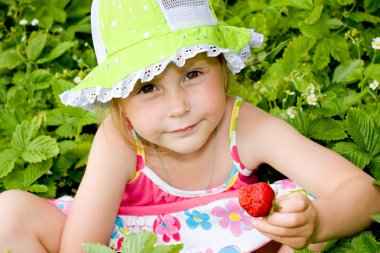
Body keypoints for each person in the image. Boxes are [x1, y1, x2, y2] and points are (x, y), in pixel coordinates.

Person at [0, 0, 379, 252]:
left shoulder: (242, 125)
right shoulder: (120, 139)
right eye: (148, 87)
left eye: (193, 73)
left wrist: (318, 223)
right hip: (130, 240)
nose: (178, 107)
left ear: (223, 69)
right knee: (9, 212)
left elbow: (365, 192)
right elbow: (81, 247)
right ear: (121, 103)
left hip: (227, 237)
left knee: (302, 206)